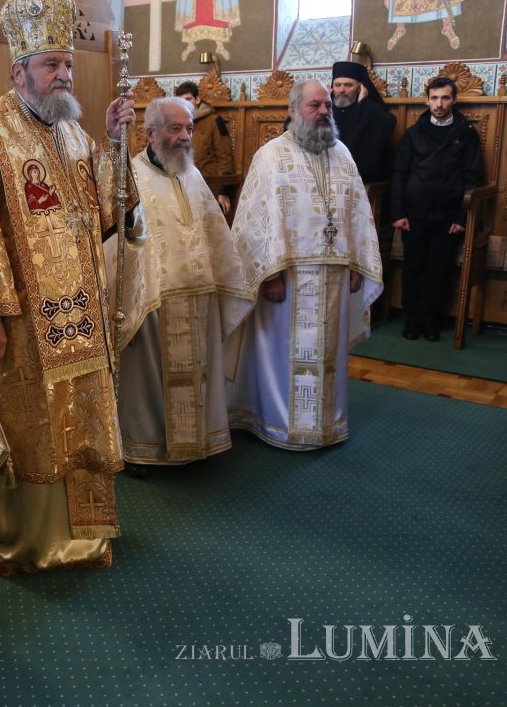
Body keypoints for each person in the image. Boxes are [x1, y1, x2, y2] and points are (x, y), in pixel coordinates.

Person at [0, 0, 137, 575]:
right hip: (20, 324)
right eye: (52, 64)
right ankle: (18, 538)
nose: (64, 74)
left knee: (80, 422)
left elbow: (104, 211)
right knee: (27, 428)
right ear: (20, 71)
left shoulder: (72, 133)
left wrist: (117, 144)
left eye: (67, 63)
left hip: (80, 318)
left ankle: (85, 536)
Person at [228, 81, 383, 450]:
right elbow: (255, 222)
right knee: (286, 357)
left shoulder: (342, 154)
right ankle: (278, 424)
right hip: (288, 279)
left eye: (327, 106)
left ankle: (327, 424)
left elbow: (358, 212)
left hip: (334, 276)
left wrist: (358, 263)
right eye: (315, 106)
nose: (324, 112)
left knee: (326, 356)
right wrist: (269, 276)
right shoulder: (271, 156)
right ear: (293, 109)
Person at [111, 97, 253, 471]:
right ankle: (146, 450)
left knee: (198, 374)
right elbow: (117, 239)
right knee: (150, 383)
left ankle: (198, 445)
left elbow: (214, 231)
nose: (185, 138)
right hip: (154, 300)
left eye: (188, 128)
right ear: (150, 133)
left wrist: (224, 280)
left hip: (198, 294)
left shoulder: (193, 174)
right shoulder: (131, 175)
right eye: (176, 129)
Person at [391, 76, 484, 342]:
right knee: (413, 267)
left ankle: (430, 321)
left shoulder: (466, 133)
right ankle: (411, 320)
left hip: (448, 216)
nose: (439, 103)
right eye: (434, 98)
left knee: (439, 269)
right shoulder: (413, 133)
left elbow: (472, 177)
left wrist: (461, 217)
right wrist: (398, 213)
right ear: (427, 100)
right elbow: (399, 174)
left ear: (454, 99)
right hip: (414, 213)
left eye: (445, 98)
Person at [330, 60, 396, 185]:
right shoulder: (325, 109)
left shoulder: (370, 110)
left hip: (361, 180)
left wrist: (363, 104)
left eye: (348, 85)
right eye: (337, 85)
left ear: (360, 87)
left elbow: (388, 123)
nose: (342, 90)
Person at [176, 80, 236, 215]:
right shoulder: (176, 125)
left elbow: (225, 156)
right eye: (181, 101)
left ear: (197, 99)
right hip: (183, 187)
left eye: (188, 99)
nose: (185, 104)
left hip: (208, 187)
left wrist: (224, 192)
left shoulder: (214, 121)